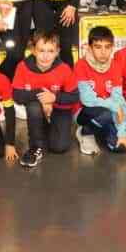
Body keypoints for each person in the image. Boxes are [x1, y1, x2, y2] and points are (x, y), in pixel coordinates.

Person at [12, 30, 80, 168]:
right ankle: (35, 147)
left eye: (50, 51)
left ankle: (47, 129)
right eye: (41, 50)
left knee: (59, 148)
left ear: (57, 52)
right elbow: (17, 95)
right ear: (33, 50)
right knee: (33, 106)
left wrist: (54, 98)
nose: (45, 56)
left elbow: (74, 96)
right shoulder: (23, 67)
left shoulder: (64, 69)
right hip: (37, 108)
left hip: (60, 109)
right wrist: (42, 97)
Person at [73, 26, 126, 156]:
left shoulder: (115, 66)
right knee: (105, 114)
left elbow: (118, 98)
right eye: (98, 47)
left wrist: (122, 133)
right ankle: (86, 132)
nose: (103, 52)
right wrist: (115, 107)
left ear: (112, 48)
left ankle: (105, 131)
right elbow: (87, 100)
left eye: (107, 47)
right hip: (84, 111)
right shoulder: (81, 65)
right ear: (90, 48)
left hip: (108, 109)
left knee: (119, 147)